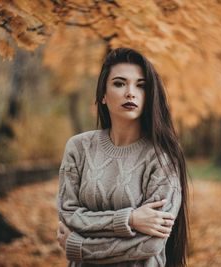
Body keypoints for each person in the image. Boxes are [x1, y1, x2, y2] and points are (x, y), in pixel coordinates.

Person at [56, 47, 190, 267]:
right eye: (119, 83)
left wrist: (79, 245)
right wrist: (130, 220)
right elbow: (68, 216)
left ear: (150, 95)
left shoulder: (162, 158)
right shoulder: (79, 148)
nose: (130, 92)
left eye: (141, 85)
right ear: (103, 95)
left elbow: (150, 244)